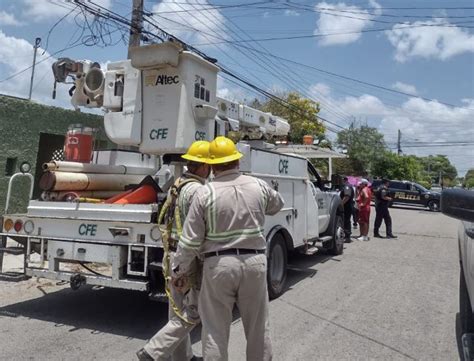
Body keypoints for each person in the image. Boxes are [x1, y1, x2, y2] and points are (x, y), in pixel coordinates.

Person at [173, 136, 284, 361]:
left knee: (215, 330)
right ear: (237, 161)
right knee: (258, 328)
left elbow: (191, 240)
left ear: (212, 165)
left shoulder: (206, 192)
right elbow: (277, 205)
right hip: (255, 263)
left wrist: (178, 269)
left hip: (218, 266)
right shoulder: (258, 185)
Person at [137, 141, 211, 361]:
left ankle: (183, 357)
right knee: (194, 310)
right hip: (188, 258)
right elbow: (198, 229)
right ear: (204, 166)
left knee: (176, 309)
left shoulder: (177, 184)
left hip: (172, 254)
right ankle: (154, 351)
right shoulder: (198, 190)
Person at [340, 176, 355, 243]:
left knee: (346, 221)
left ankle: (347, 236)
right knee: (346, 220)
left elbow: (347, 196)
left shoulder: (347, 186)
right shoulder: (348, 186)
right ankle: (346, 236)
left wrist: (341, 204)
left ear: (345, 180)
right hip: (348, 206)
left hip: (347, 206)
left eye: (342, 180)